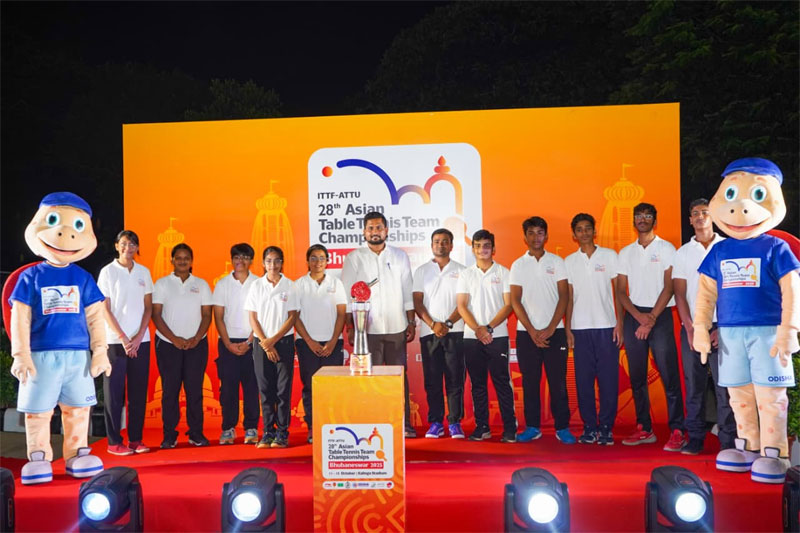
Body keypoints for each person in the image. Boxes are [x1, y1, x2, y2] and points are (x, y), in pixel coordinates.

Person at [341, 211, 416, 437]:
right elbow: (348, 296)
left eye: (379, 228)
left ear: (386, 231)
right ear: (364, 232)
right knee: (369, 379)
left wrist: (411, 321)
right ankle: (371, 424)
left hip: (396, 327)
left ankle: (403, 424)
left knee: (398, 378)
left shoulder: (400, 256)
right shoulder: (354, 258)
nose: (375, 232)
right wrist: (351, 328)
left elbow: (407, 291)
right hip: (367, 331)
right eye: (371, 228)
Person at [617, 202, 685, 451]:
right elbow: (620, 291)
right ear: (633, 221)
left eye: (647, 216)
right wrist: (638, 316)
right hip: (635, 316)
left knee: (669, 375)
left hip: (661, 316)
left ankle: (677, 429)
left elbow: (669, 287)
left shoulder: (667, 248)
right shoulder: (625, 252)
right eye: (638, 216)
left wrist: (652, 318)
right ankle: (644, 428)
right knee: (637, 377)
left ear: (654, 221)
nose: (642, 219)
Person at [671, 199, 736, 455]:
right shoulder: (682, 253)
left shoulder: (728, 247)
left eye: (705, 212)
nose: (700, 216)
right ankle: (696, 437)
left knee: (725, 387)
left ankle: (728, 442)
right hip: (693, 326)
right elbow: (679, 293)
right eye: (695, 213)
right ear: (690, 220)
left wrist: (724, 327)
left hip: (723, 325)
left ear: (713, 217)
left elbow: (733, 290)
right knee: (694, 386)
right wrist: (690, 329)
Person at [510, 217, 574, 444]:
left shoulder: (557, 262)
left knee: (558, 383)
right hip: (526, 334)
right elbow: (515, 300)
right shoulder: (518, 265)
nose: (536, 237)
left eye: (540, 233)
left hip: (555, 332)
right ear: (525, 237)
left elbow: (564, 296)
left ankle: (562, 427)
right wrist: (531, 330)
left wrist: (551, 327)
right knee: (530, 382)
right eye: (531, 233)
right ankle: (533, 427)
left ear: (546, 236)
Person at [565, 213, 623, 445]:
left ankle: (606, 427)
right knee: (584, 381)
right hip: (580, 328)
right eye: (579, 229)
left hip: (607, 327)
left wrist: (620, 323)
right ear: (574, 234)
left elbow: (619, 292)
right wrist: (568, 328)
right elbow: (568, 298)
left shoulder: (609, 256)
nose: (584, 233)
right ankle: (589, 427)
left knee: (609, 381)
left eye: (588, 228)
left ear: (594, 231)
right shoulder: (569, 261)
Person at [456, 229, 517, 442]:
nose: (483, 249)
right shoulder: (466, 274)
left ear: (493, 248)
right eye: (478, 246)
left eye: (487, 245)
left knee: (502, 382)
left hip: (497, 336)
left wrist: (488, 328)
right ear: (473, 249)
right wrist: (478, 329)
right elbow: (461, 306)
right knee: (478, 384)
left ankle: (509, 428)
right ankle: (482, 427)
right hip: (471, 337)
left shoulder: (504, 272)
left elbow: (509, 305)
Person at [97, 230, 153, 455]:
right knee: (113, 392)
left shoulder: (143, 272)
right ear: (116, 246)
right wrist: (123, 337)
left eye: (132, 245)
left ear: (137, 248)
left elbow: (148, 307)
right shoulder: (107, 272)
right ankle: (113, 442)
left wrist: (138, 336)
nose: (128, 248)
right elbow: (105, 308)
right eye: (124, 244)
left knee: (138, 392)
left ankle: (136, 440)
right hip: (114, 341)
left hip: (141, 341)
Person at [152, 243, 213, 448]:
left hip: (197, 345)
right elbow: (156, 315)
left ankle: (196, 433)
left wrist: (196, 338)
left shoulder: (201, 284)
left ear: (192, 261)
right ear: (172, 260)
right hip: (168, 345)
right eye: (178, 258)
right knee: (170, 391)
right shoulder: (162, 284)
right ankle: (169, 435)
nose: (182, 261)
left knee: (195, 391)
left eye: (186, 258)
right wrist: (174, 339)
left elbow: (207, 315)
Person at [413, 228, 466, 439]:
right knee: (432, 380)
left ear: (451, 245)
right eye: (437, 241)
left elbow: (464, 303)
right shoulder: (421, 271)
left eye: (445, 241)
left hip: (456, 332)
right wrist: (433, 324)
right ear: (431, 245)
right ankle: (436, 422)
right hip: (429, 333)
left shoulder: (462, 270)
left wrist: (448, 323)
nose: (440, 245)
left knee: (455, 379)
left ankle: (454, 422)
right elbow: (417, 302)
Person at [245, 246, 298, 449]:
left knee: (283, 390)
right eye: (268, 261)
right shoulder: (256, 286)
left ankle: (282, 433)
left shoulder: (290, 285)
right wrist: (265, 343)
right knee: (265, 390)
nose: (273, 265)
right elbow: (253, 317)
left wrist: (273, 340)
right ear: (263, 263)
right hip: (262, 344)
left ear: (282, 263)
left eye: (276, 261)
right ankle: (268, 432)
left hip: (283, 342)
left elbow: (293, 317)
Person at [294, 244, 347, 444]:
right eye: (314, 258)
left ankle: (332, 427)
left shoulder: (336, 283)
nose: (318, 262)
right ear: (307, 261)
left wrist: (333, 341)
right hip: (306, 343)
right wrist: (309, 341)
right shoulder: (298, 284)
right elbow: (294, 316)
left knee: (332, 387)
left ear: (328, 261)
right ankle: (313, 427)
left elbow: (341, 313)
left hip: (332, 343)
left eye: (322, 258)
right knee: (310, 387)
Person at [212, 243, 260, 446]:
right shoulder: (222, 284)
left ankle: (251, 427)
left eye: (245, 257)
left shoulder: (258, 283)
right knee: (228, 389)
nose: (240, 261)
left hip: (253, 342)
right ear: (232, 260)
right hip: (227, 343)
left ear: (251, 261)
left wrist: (249, 340)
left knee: (252, 387)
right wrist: (228, 343)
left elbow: (261, 315)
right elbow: (218, 317)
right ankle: (228, 428)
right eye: (237, 257)